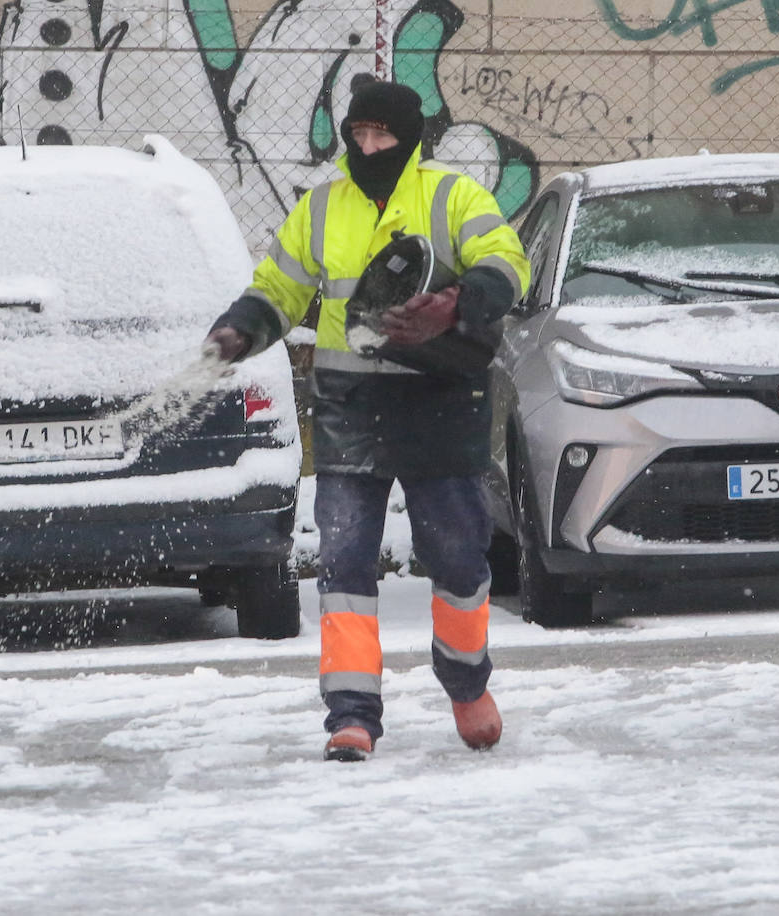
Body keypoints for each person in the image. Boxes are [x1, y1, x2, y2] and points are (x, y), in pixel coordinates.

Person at [203, 76, 530, 761]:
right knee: (345, 564)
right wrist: (241, 329)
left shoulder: (453, 195)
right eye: (358, 134)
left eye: (381, 135)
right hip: (352, 409)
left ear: (410, 137)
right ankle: (350, 716)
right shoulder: (322, 208)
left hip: (442, 402)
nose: (368, 145)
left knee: (459, 562)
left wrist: (461, 300)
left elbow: (507, 260)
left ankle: (468, 686)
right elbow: (280, 287)